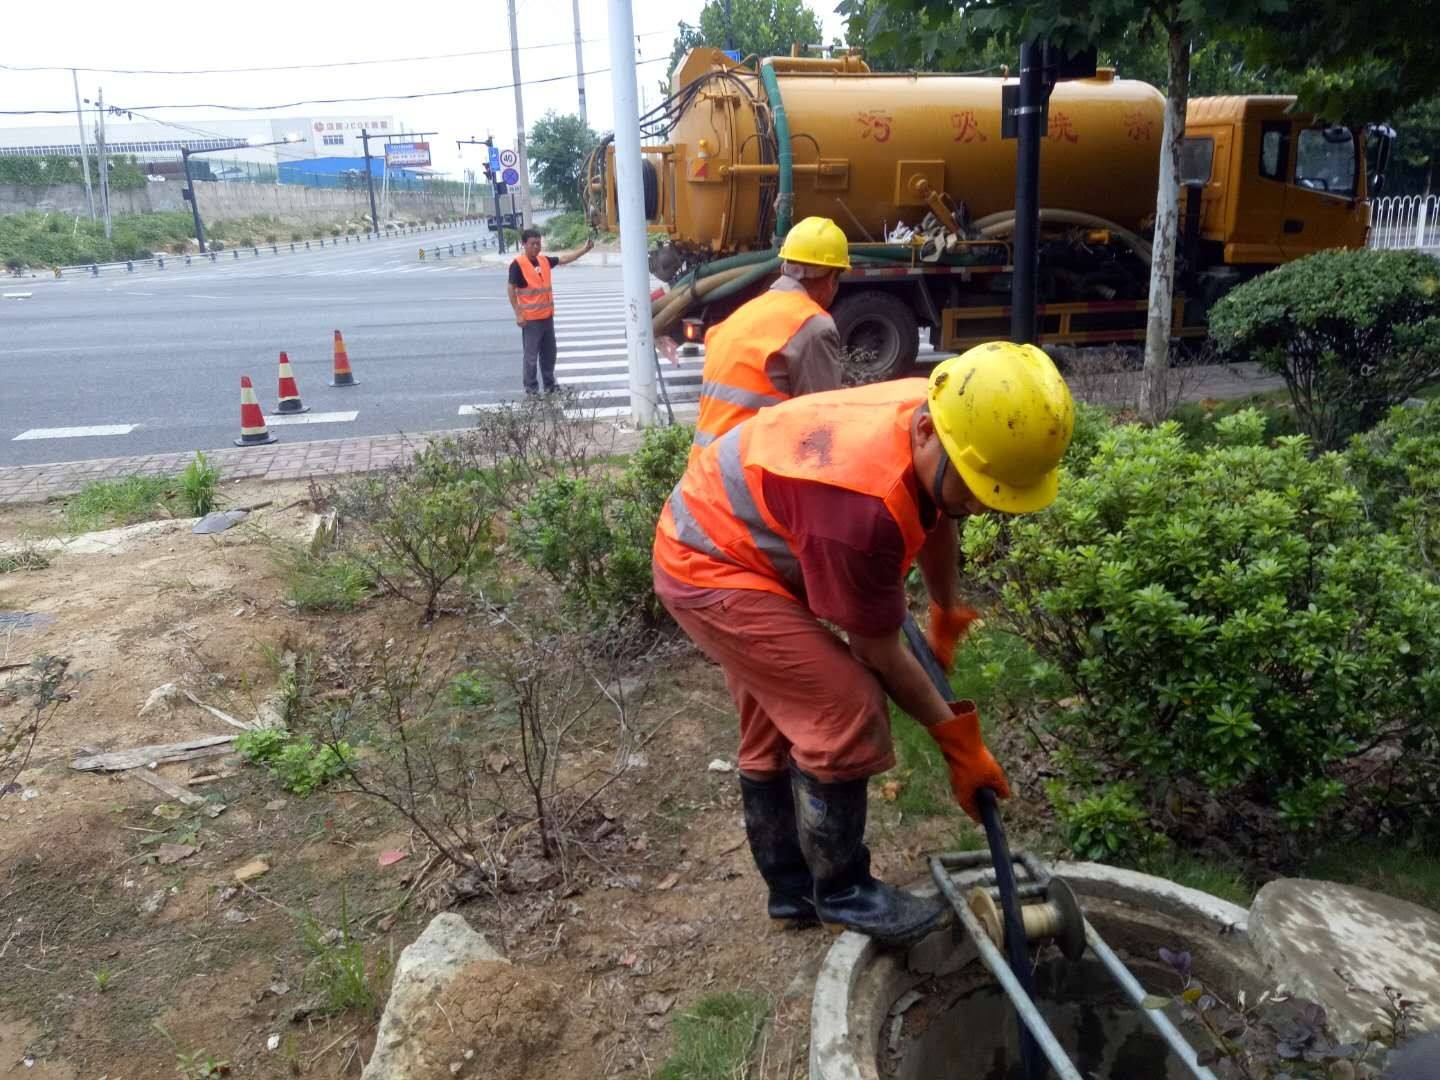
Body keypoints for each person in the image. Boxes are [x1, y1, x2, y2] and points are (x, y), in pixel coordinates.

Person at [652, 342, 1075, 945]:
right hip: (708, 565)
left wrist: (945, 608)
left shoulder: (938, 417)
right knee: (844, 706)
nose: (981, 505)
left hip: (751, 539)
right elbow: (877, 650)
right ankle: (844, 891)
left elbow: (937, 514)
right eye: (978, 488)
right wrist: (958, 742)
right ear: (928, 432)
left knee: (777, 716)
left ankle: (790, 891)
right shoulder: (862, 507)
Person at [689, 216, 847, 464]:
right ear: (831, 279)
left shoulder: (747, 313)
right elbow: (820, 428)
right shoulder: (812, 325)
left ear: (785, 267)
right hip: (744, 480)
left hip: (703, 476)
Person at [508, 227, 594, 395]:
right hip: (531, 320)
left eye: (538, 244)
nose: (536, 247)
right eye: (532, 244)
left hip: (547, 318)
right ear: (524, 244)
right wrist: (518, 313)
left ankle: (550, 385)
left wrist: (584, 250)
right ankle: (531, 389)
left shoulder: (544, 261)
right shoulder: (517, 265)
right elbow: (511, 289)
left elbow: (563, 259)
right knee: (531, 357)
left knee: (549, 354)